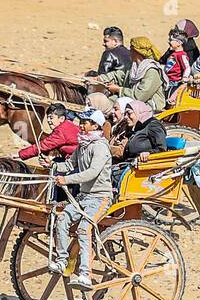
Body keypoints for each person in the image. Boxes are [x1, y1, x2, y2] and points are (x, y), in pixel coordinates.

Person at [50, 109, 112, 288]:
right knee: (62, 219)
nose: (81, 125)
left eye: (85, 122)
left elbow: (92, 173)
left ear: (95, 126)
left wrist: (67, 180)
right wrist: (53, 165)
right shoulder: (83, 144)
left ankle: (86, 274)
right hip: (83, 197)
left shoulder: (100, 147)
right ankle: (62, 261)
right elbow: (70, 165)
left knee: (84, 229)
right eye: (81, 122)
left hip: (100, 197)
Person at [109, 100, 169, 193]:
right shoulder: (138, 127)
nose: (126, 117)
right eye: (125, 114)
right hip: (129, 165)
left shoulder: (153, 125)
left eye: (129, 113)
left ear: (139, 112)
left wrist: (149, 153)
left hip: (141, 168)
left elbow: (162, 149)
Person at [101, 37, 166, 113]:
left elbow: (140, 96)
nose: (129, 51)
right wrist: (100, 78)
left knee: (116, 106)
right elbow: (119, 75)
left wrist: (118, 89)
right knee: (107, 102)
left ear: (136, 51)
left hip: (149, 106)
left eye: (131, 49)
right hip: (132, 100)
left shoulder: (152, 71)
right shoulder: (133, 67)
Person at [12, 103, 78, 162]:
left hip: (76, 161)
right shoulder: (67, 126)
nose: (48, 120)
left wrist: (20, 154)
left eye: (51, 118)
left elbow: (43, 146)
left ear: (61, 119)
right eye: (47, 118)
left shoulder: (61, 131)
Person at [162, 29, 193, 101]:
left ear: (179, 43)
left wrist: (185, 77)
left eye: (171, 40)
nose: (168, 41)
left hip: (174, 83)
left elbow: (187, 67)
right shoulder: (173, 54)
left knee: (169, 98)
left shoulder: (181, 55)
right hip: (168, 80)